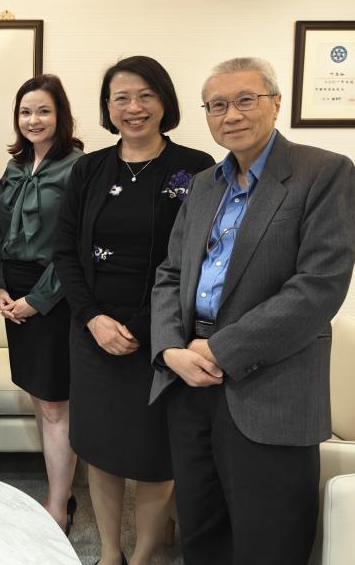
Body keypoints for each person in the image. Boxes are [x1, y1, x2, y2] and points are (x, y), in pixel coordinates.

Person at [151, 57, 355, 565]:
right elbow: (169, 274)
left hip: (271, 385)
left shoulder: (324, 173)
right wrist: (170, 348)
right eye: (217, 105)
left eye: (246, 100)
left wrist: (220, 350)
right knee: (201, 532)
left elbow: (317, 288)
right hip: (189, 385)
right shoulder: (203, 185)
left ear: (276, 103)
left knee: (270, 540)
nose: (232, 115)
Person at [54, 55, 214, 565]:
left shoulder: (197, 169)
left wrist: (145, 327)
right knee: (100, 450)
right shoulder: (89, 168)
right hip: (93, 330)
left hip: (163, 333)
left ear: (164, 100)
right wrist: (94, 319)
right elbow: (64, 253)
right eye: (121, 97)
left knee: (153, 455)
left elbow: (198, 260)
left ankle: (142, 555)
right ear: (107, 107)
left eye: (145, 95)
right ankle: (108, 552)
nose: (134, 107)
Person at [0, 74, 83, 534]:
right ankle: (59, 491)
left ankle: (58, 504)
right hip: (14, 290)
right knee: (42, 400)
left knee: (55, 404)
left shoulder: (78, 167)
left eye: (43, 110)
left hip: (53, 294)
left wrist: (36, 301)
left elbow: (75, 248)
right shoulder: (16, 167)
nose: (33, 120)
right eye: (25, 112)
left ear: (60, 115)